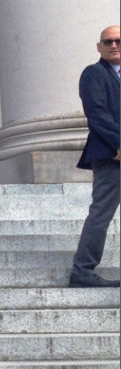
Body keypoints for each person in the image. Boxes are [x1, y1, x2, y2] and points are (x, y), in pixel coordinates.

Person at [69, 25, 120, 288]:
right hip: (112, 156)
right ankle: (82, 270)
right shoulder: (93, 74)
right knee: (101, 213)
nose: (114, 45)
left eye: (118, 41)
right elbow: (97, 115)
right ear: (99, 46)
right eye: (108, 41)